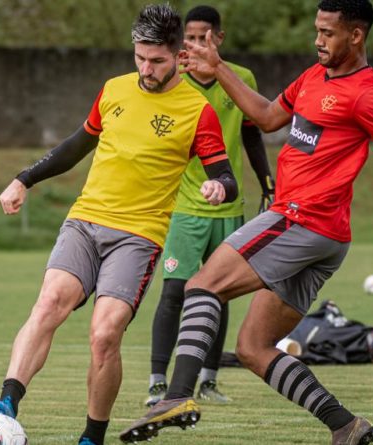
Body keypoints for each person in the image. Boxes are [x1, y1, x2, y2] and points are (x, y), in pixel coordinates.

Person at [120, 0, 373, 444]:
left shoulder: (368, 94)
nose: (318, 40)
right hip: (326, 237)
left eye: (328, 33)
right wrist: (217, 66)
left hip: (302, 220)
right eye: (316, 30)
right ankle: (345, 426)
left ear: (356, 36)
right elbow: (265, 118)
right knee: (253, 349)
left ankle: (177, 395)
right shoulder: (313, 76)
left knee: (202, 285)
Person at [0, 5, 238, 445]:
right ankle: (6, 405)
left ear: (178, 56)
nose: (146, 68)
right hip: (85, 221)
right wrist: (25, 178)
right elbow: (75, 146)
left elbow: (226, 175)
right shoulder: (114, 90)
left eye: (156, 60)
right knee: (49, 303)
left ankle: (91, 437)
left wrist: (220, 187)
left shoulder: (197, 111)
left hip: (139, 237)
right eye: (139, 57)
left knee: (104, 335)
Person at [145, 4, 275, 408]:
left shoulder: (241, 79)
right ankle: (156, 382)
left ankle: (209, 380)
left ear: (218, 38)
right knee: (173, 293)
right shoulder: (172, 79)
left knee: (217, 295)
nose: (196, 44)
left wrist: (266, 181)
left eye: (204, 37)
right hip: (185, 208)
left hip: (229, 209)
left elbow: (253, 134)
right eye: (190, 37)